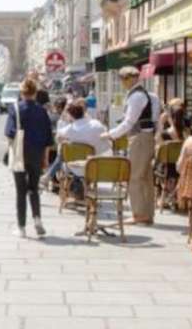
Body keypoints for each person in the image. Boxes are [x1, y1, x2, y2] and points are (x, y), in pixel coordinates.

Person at [103, 66, 161, 226]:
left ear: (128, 79)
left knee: (135, 177)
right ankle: (147, 213)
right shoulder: (150, 96)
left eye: (122, 80)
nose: (122, 84)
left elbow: (129, 121)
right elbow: (155, 119)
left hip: (139, 138)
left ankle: (138, 214)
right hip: (147, 137)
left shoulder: (136, 97)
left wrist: (111, 134)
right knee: (146, 178)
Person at [5, 79, 53, 238]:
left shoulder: (15, 109)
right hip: (37, 154)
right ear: (35, 93)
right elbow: (48, 137)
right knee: (34, 188)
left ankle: (21, 227)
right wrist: (45, 158)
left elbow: (9, 132)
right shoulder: (42, 110)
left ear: (22, 93)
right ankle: (37, 219)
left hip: (20, 153)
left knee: (20, 191)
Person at [53, 102, 111, 197]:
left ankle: (76, 189)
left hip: (78, 165)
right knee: (78, 158)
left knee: (66, 157)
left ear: (71, 116)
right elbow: (106, 142)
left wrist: (65, 141)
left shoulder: (71, 129)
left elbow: (58, 137)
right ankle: (81, 189)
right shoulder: (96, 124)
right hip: (97, 164)